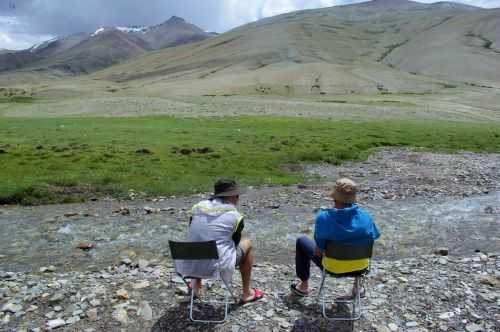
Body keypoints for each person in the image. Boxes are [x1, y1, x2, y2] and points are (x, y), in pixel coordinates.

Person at [290, 178, 380, 297]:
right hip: (360, 268)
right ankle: (357, 288)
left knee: (301, 241)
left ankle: (303, 286)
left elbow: (318, 251)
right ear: (353, 198)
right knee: (358, 247)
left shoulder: (324, 218)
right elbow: (374, 237)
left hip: (332, 268)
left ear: (335, 197)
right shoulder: (366, 217)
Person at [184, 179, 264, 303]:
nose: (238, 198)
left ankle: (195, 285)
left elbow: (192, 232)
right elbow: (235, 243)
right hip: (217, 266)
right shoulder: (235, 215)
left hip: (190, 263)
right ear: (231, 196)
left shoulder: (197, 207)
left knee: (200, 241)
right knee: (247, 244)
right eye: (237, 195)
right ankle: (247, 293)